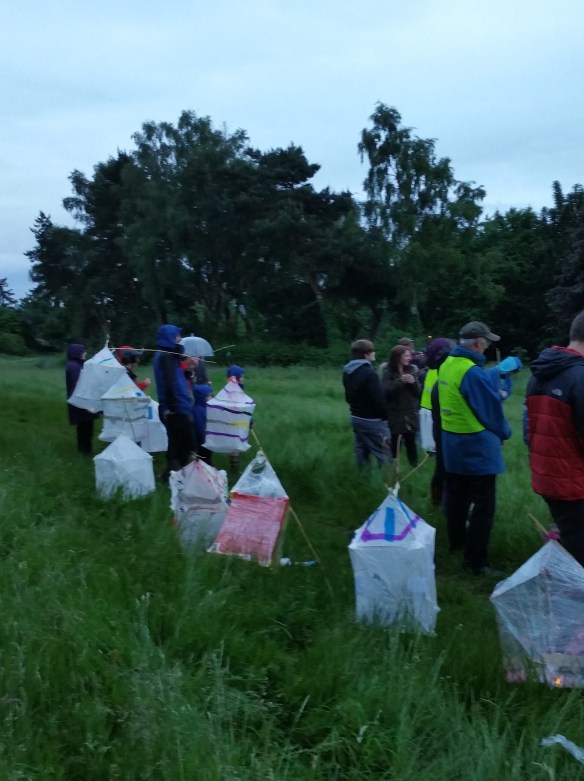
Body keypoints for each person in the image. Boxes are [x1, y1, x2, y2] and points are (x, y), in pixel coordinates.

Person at [438, 321, 511, 576]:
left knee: (457, 499)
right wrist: (505, 431)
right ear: (478, 343)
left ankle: (457, 544)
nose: (488, 347)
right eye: (487, 342)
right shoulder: (472, 372)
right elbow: (490, 411)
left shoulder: (448, 364)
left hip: (452, 444)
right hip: (476, 448)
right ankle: (476, 562)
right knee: (483, 506)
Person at [526, 310, 584, 566]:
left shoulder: (541, 372)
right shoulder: (579, 377)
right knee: (577, 554)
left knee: (569, 536)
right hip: (574, 482)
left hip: (548, 476)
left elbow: (530, 429)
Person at [153, 324, 198, 474]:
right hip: (176, 408)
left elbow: (176, 378)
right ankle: (176, 475)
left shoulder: (169, 356)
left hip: (178, 406)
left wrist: (188, 372)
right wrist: (171, 407)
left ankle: (172, 475)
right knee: (185, 443)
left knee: (177, 442)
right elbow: (168, 383)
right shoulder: (165, 357)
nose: (180, 338)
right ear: (170, 337)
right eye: (177, 336)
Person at [343, 339, 390, 468]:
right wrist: (386, 416)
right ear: (366, 354)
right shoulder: (370, 374)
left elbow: (348, 396)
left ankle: (363, 477)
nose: (374, 353)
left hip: (356, 417)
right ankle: (388, 480)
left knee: (361, 450)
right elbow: (378, 399)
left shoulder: (347, 372)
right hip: (372, 420)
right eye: (372, 351)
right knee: (385, 451)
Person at [381, 344, 421, 467]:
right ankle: (394, 468)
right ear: (398, 357)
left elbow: (418, 393)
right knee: (396, 443)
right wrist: (401, 381)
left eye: (410, 355)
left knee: (411, 443)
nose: (410, 358)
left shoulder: (412, 370)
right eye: (406, 355)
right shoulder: (387, 371)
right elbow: (386, 392)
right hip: (395, 414)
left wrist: (413, 383)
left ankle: (414, 468)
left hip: (410, 414)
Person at [424, 338, 453, 505]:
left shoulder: (440, 379)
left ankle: (438, 501)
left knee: (441, 468)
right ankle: (442, 503)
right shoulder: (443, 381)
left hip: (439, 429)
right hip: (444, 430)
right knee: (445, 470)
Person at [65, 343, 98, 455]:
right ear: (76, 353)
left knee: (85, 427)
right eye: (83, 351)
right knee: (85, 428)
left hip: (82, 401)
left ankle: (83, 451)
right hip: (81, 402)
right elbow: (79, 385)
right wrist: (87, 404)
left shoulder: (78, 365)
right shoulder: (74, 366)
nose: (85, 353)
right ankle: (85, 452)